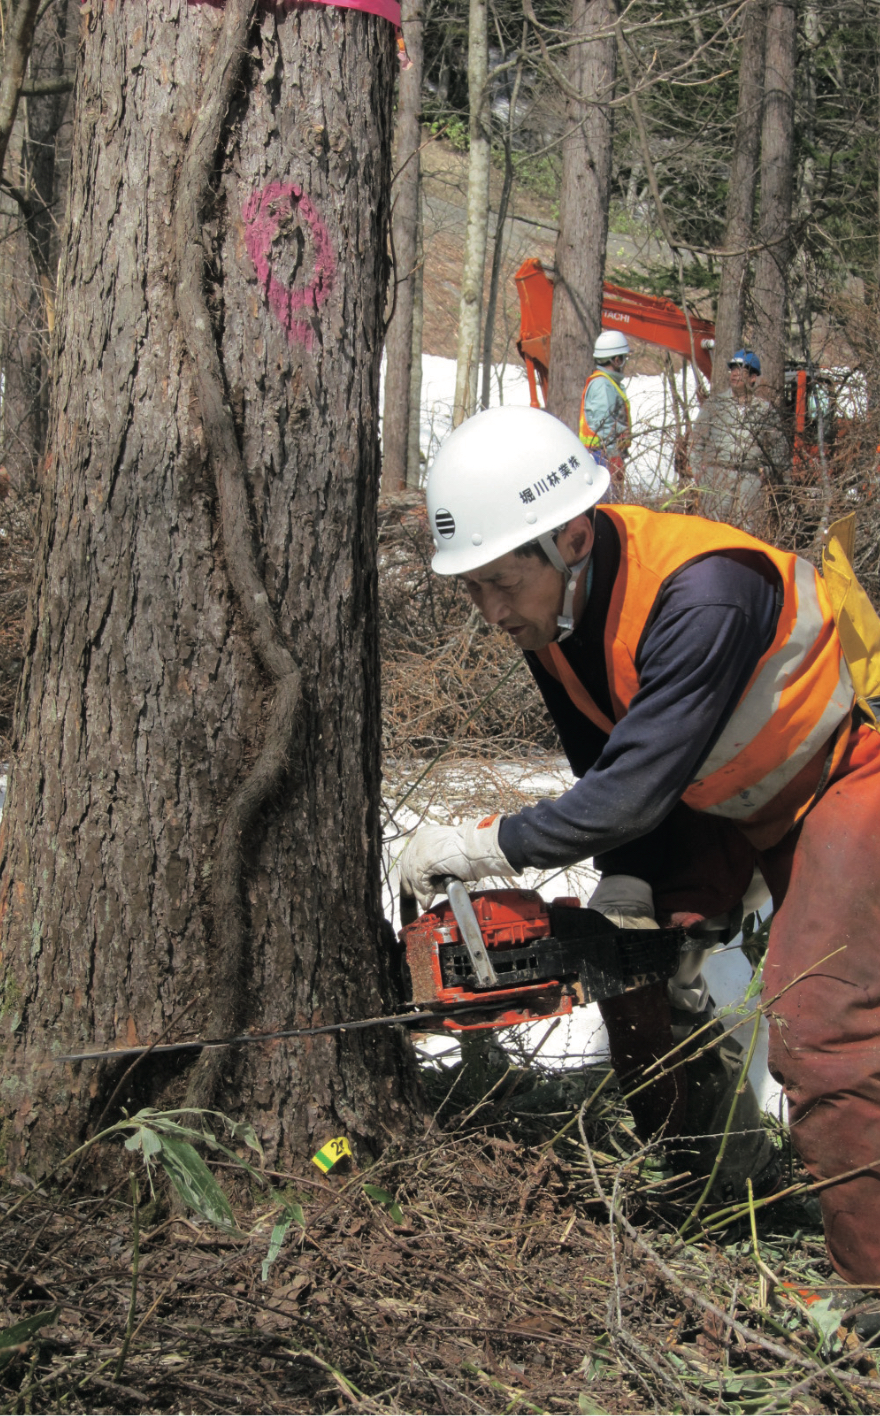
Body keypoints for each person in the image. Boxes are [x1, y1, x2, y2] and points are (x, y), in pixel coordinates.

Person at [400, 403, 880, 1308]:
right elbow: (610, 770)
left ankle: (873, 1289)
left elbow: (627, 794)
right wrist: (644, 893)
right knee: (630, 964)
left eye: (503, 584)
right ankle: (715, 1180)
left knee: (824, 1028)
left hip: (845, 778)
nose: (492, 613)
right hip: (726, 801)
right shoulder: (553, 619)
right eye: (473, 591)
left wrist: (481, 846)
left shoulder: (705, 595)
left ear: (571, 537)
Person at [688, 349, 790, 532]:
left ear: (752, 377)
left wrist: (766, 472)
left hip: (749, 481)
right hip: (717, 478)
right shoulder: (715, 405)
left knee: (745, 534)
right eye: (733, 369)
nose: (735, 374)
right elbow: (697, 440)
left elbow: (779, 448)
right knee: (712, 530)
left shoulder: (764, 410)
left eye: (741, 370)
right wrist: (699, 473)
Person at [579, 330, 632, 491]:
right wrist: (614, 457)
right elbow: (604, 427)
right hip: (601, 458)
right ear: (617, 360)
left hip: (603, 456)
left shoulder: (606, 383)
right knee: (607, 508)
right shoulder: (603, 385)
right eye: (624, 358)